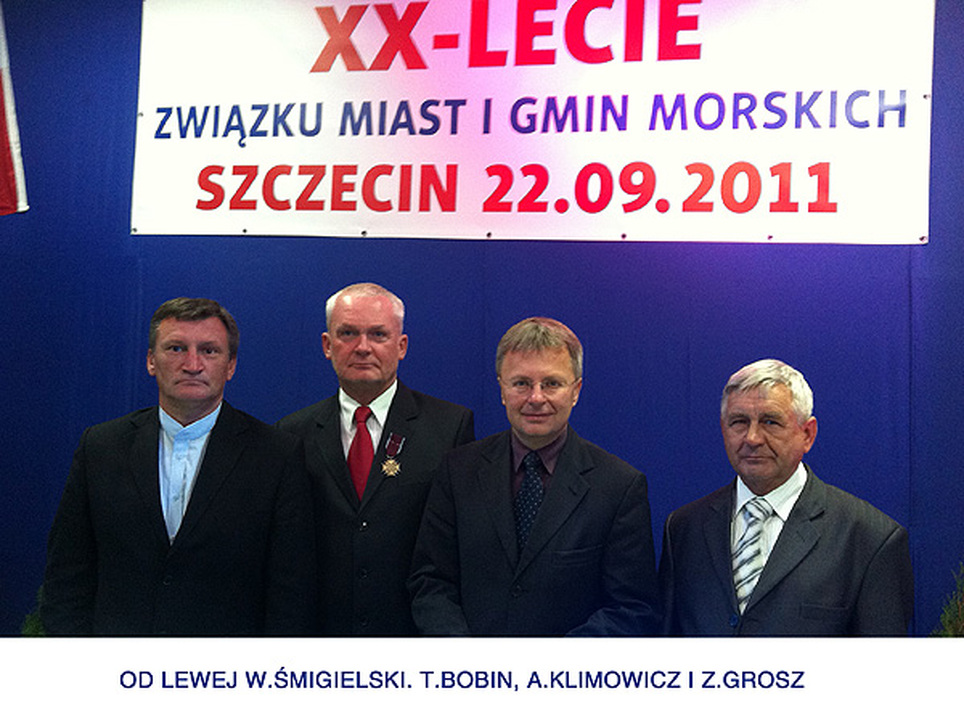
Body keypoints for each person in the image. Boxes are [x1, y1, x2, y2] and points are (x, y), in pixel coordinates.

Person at [40, 297, 316, 635]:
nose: (192, 364)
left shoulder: (276, 455)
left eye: (209, 351)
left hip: (228, 665)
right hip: (118, 663)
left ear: (230, 366)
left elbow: (291, 590)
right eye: (176, 349)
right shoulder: (101, 446)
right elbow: (68, 573)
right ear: (150, 361)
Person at [409, 317, 660, 636]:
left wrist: (548, 663)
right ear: (502, 389)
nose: (536, 398)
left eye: (552, 383)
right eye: (521, 383)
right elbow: (430, 581)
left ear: (576, 391)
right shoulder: (458, 471)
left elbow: (632, 607)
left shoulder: (619, 486)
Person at [659, 358, 914, 636]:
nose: (752, 438)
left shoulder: (869, 539)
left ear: (807, 434)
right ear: (723, 429)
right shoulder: (684, 528)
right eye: (739, 422)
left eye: (770, 421)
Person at [276, 282, 474, 635]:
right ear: (327, 345)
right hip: (322, 644)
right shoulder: (292, 434)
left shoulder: (449, 428)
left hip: (414, 637)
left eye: (378, 334)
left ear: (402, 346)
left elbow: (458, 548)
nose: (363, 347)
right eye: (348, 333)